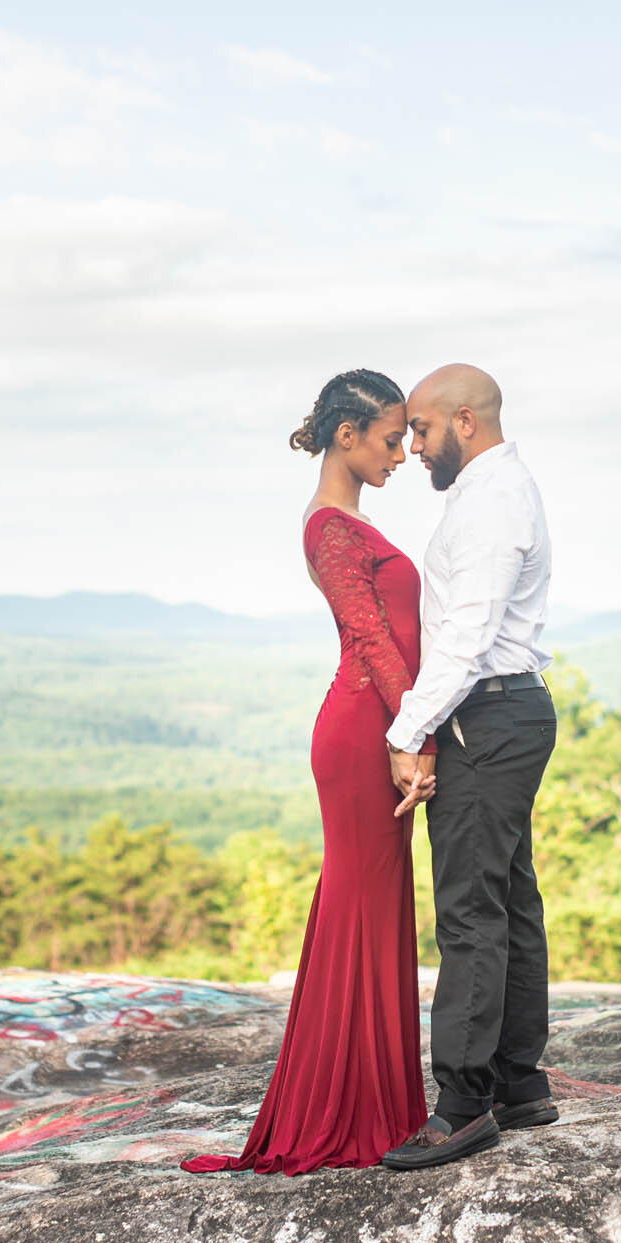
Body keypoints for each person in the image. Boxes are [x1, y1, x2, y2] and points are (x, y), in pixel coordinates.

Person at [180, 369, 434, 1175]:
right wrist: (410, 735)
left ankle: (380, 1102)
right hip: (365, 732)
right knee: (361, 908)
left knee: (374, 908)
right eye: (393, 439)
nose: (404, 454)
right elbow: (371, 639)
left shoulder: (350, 520)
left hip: (378, 726)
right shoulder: (330, 527)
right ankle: (347, 1109)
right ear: (347, 435)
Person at [378, 364, 556, 1172]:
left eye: (421, 429)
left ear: (465, 421)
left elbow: (469, 632)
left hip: (484, 713)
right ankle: (519, 1082)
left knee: (469, 912)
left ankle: (461, 1107)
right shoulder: (492, 492)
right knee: (509, 897)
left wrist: (407, 730)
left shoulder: (490, 502)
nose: (412, 446)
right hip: (501, 711)